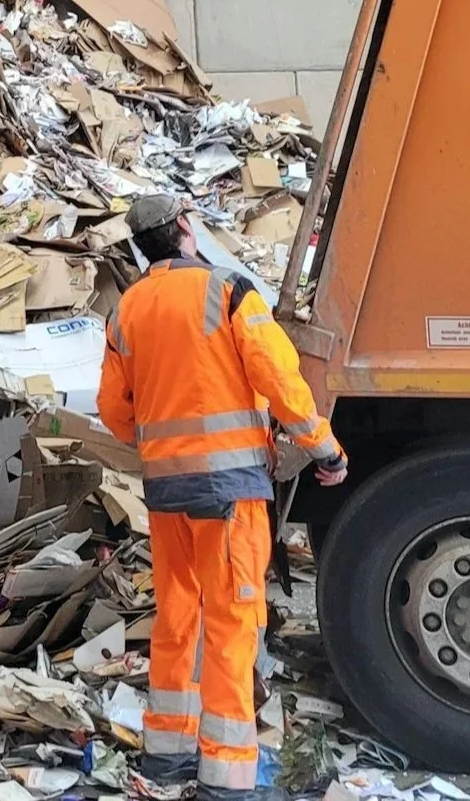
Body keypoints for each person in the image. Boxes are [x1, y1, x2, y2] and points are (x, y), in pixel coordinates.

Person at [99, 193, 348, 799]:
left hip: (165, 492)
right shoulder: (228, 291)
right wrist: (323, 447)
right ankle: (226, 771)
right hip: (229, 492)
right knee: (234, 620)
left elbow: (113, 409)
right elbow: (278, 377)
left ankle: (166, 751)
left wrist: (160, 444)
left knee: (177, 615)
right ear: (185, 227)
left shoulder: (127, 310)